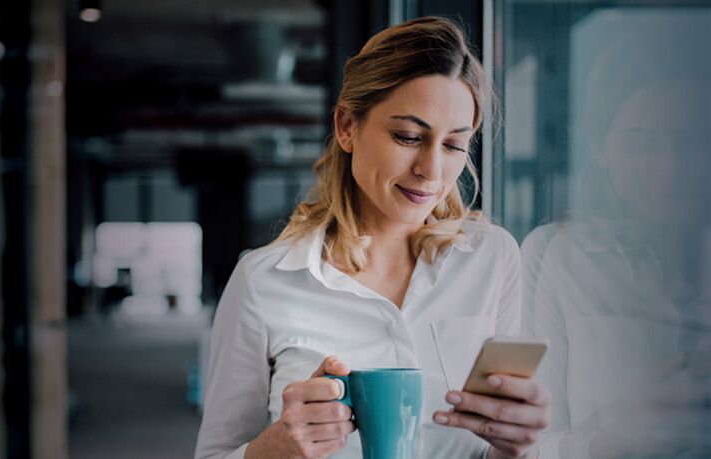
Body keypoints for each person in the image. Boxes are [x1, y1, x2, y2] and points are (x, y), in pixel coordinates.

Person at [195, 17, 549, 459]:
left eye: (454, 145)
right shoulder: (263, 280)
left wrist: (519, 447)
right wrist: (273, 450)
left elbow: (501, 439)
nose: (432, 171)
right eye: (407, 136)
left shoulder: (493, 257)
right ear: (347, 127)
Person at [521, 13, 711, 459]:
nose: (669, 169)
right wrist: (614, 442)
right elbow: (525, 446)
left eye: (688, 141)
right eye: (641, 143)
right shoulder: (554, 257)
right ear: (601, 148)